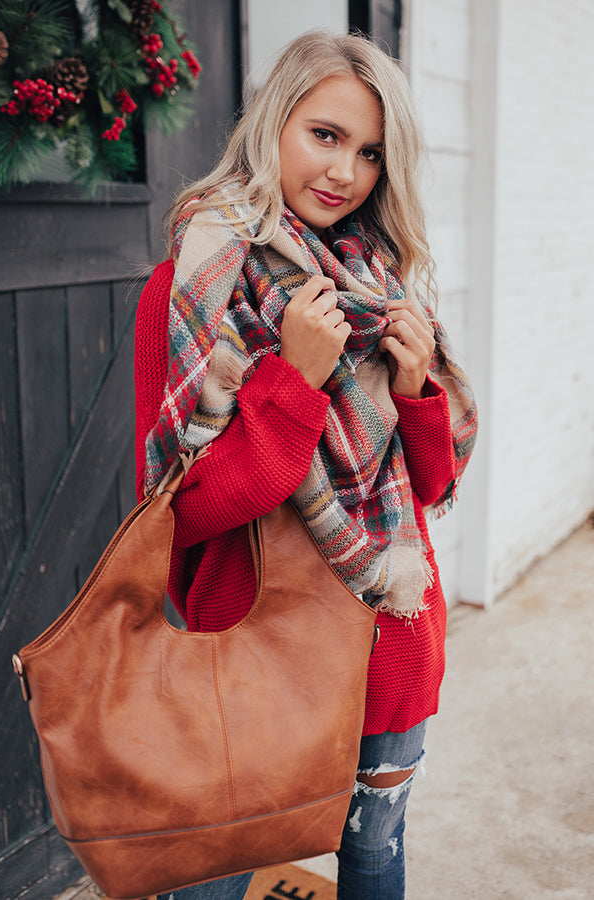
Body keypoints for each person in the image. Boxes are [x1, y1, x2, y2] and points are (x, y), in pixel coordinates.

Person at [134, 29, 477, 900]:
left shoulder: (383, 286)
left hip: (389, 643)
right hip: (246, 654)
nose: (346, 173)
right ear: (272, 123)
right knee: (207, 875)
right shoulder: (189, 287)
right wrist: (293, 380)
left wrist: (413, 386)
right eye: (324, 135)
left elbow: (431, 486)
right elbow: (185, 513)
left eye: (370, 152)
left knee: (372, 859)